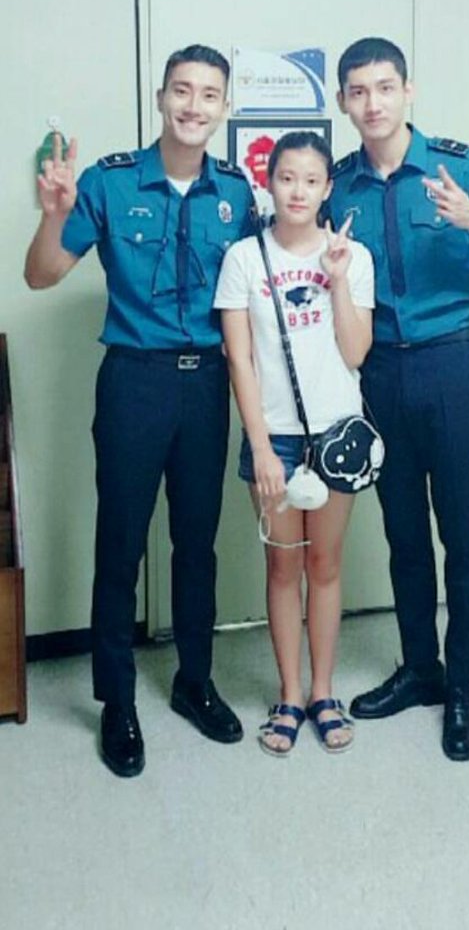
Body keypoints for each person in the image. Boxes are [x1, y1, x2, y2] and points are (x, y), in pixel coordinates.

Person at [24, 44, 256, 777]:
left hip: (207, 384)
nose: (194, 106)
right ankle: (117, 701)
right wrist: (54, 216)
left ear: (224, 108)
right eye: (181, 91)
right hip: (134, 381)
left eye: (209, 94)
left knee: (197, 544)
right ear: (160, 98)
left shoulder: (238, 194)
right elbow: (41, 275)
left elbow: (255, 298)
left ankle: (195, 681)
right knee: (120, 544)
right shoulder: (109, 181)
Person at [329, 36, 469, 762]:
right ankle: (420, 668)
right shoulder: (338, 185)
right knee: (403, 533)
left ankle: (462, 682)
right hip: (379, 372)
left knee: (461, 532)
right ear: (343, 102)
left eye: (385, 87)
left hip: (451, 366)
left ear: (407, 91)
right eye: (358, 91)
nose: (372, 103)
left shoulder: (458, 166)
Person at [214, 131, 374, 755]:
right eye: (286, 178)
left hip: (337, 435)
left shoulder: (352, 256)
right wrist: (258, 446)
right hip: (274, 438)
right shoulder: (244, 259)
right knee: (283, 568)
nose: (298, 191)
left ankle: (323, 693)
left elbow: (355, 353)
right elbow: (240, 359)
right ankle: (288, 695)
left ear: (328, 187)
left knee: (325, 565)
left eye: (311, 180)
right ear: (269, 183)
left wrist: (337, 279)